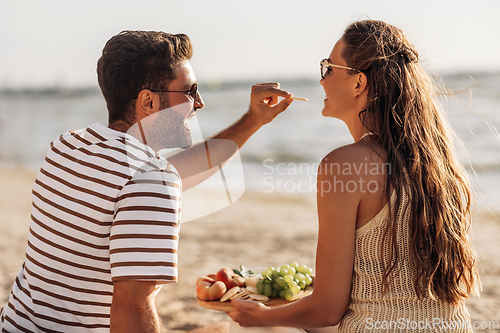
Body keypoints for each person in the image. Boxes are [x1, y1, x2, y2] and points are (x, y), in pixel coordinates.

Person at [0, 30, 294, 332]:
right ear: (149, 102)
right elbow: (132, 308)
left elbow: (172, 173)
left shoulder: (68, 146)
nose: (200, 103)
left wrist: (253, 119)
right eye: (190, 91)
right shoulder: (150, 180)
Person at [228, 20, 480, 332]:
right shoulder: (440, 164)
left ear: (358, 82)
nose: (321, 81)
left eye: (328, 68)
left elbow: (326, 310)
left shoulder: (343, 165)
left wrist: (258, 316)